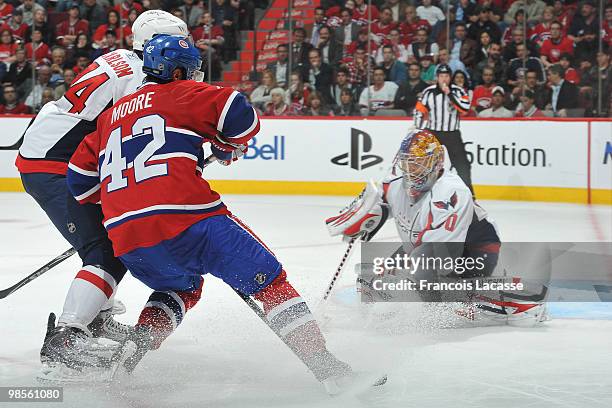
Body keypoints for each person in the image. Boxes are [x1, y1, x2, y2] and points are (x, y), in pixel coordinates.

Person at [66, 34, 353, 393]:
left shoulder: (108, 118)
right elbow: (241, 114)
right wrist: (223, 144)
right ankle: (329, 370)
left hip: (128, 237)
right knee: (271, 284)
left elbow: (79, 184)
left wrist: (130, 196)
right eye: (190, 71)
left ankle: (127, 361)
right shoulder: (182, 92)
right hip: (191, 220)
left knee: (178, 288)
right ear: (177, 71)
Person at [15, 10, 190, 381]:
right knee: (106, 253)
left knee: (114, 239)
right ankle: (68, 334)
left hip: (55, 156)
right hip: (56, 165)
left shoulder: (122, 60)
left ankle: (96, 316)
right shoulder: (140, 77)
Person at [325, 130, 546, 326]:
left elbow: (438, 252)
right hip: (426, 247)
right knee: (370, 279)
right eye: (408, 162)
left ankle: (513, 298)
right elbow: (377, 200)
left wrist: (407, 276)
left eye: (418, 163)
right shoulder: (396, 184)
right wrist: (364, 218)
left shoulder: (451, 191)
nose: (412, 170)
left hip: (475, 249)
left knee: (421, 286)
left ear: (435, 162)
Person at [414, 64, 473, 194]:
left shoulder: (458, 91)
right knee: (425, 163)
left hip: (452, 133)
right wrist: (417, 129)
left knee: (462, 165)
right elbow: (419, 111)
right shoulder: (428, 92)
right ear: (437, 77)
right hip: (433, 132)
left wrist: (450, 94)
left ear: (450, 77)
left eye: (446, 76)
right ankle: (421, 191)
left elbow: (465, 109)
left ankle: (469, 194)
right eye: (441, 76)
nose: (444, 79)